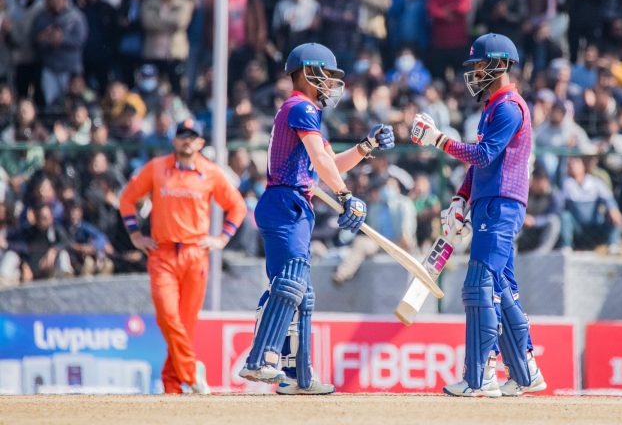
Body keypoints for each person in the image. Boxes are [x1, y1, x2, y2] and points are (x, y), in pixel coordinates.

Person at [238, 42, 394, 395]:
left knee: (302, 294)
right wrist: (345, 196)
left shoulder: (304, 113)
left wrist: (366, 146)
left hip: (294, 204)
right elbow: (323, 165)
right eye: (327, 75)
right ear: (309, 73)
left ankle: (299, 377)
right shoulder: (301, 107)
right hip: (285, 203)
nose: (331, 84)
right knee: (290, 282)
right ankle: (261, 357)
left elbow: (329, 163)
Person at [410, 33, 546, 397]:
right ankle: (526, 371)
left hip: (501, 203)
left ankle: (480, 375)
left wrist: (438, 139)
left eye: (481, 65)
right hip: (491, 201)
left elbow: (483, 156)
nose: (475, 72)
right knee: (502, 287)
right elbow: (480, 166)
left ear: (500, 65)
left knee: (479, 284)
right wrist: (461, 198)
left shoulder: (509, 107)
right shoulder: (493, 106)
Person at [119, 119, 247, 394]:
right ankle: (191, 372)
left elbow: (237, 207)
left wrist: (222, 238)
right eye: (182, 135)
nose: (187, 140)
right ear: (174, 140)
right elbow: (127, 198)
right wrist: (135, 235)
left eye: (192, 136)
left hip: (195, 254)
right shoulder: (156, 168)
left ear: (201, 142)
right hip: (162, 253)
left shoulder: (210, 172)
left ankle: (172, 384)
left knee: (185, 327)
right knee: (168, 318)